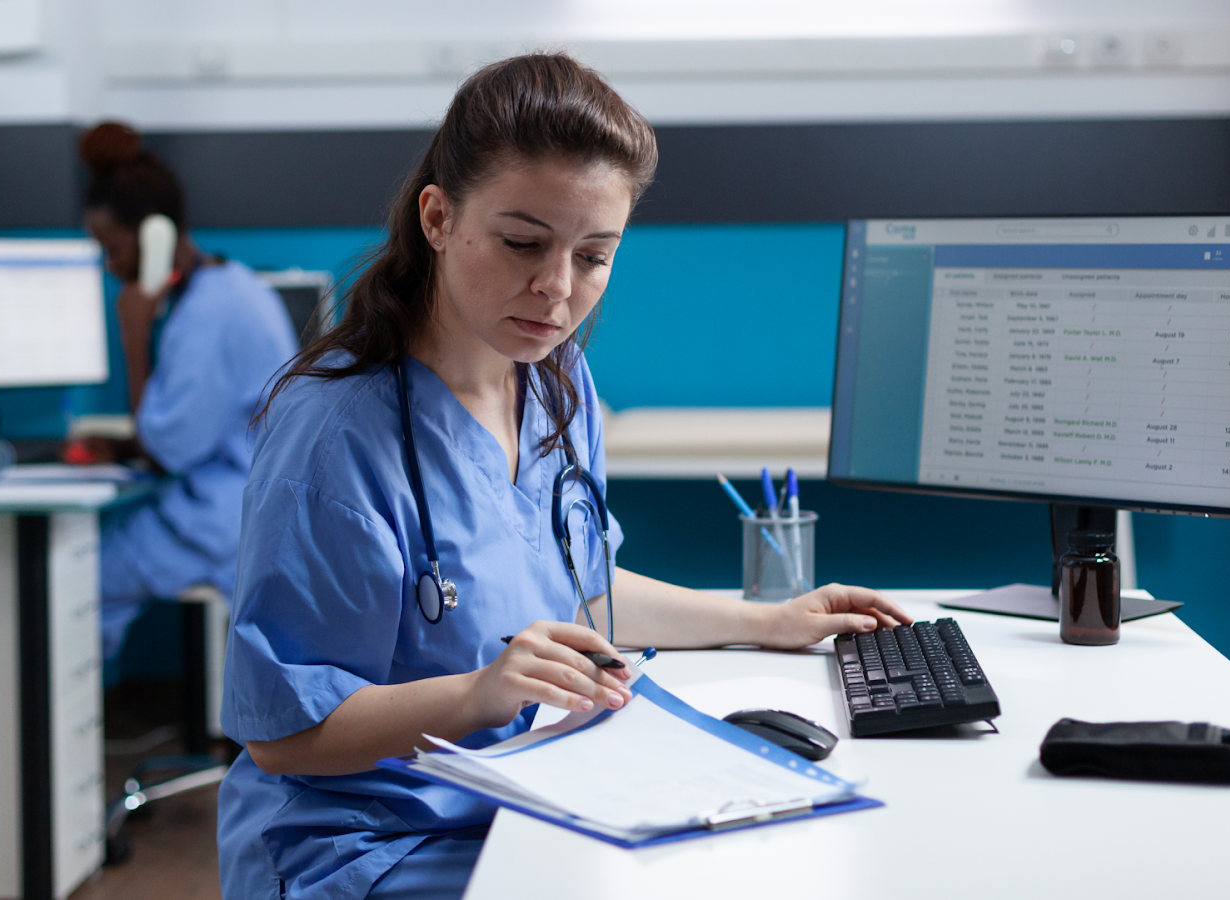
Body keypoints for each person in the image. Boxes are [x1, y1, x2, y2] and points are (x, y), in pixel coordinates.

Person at [218, 54, 910, 900]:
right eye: (523, 243)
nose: (555, 289)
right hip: (368, 842)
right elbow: (285, 736)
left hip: (523, 796)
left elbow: (574, 590)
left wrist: (766, 621)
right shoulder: (335, 439)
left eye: (594, 256)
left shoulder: (554, 383)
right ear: (437, 217)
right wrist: (479, 693)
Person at [77, 122, 300, 662]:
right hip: (246, 503)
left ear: (154, 235)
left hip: (225, 519)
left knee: (76, 581)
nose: (111, 268)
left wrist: (134, 333)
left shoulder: (203, 317)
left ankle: (60, 738)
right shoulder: (235, 285)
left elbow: (167, 449)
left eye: (112, 249)